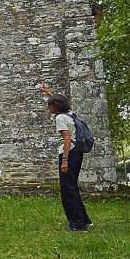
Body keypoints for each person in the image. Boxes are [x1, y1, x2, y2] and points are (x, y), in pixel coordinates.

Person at [42, 84, 92, 232]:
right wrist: (48, 92)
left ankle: (77, 225)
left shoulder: (60, 118)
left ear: (55, 107)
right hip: (77, 153)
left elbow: (67, 139)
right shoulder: (70, 114)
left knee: (68, 190)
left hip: (68, 153)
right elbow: (60, 101)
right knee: (73, 187)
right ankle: (84, 220)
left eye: (49, 106)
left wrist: (64, 160)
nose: (48, 108)